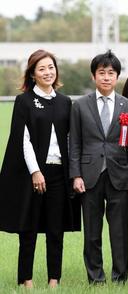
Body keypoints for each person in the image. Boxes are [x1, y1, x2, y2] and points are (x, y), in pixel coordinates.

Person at [0, 49, 81, 289]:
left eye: (51, 67)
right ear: (33, 74)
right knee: (29, 229)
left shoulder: (65, 102)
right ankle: (26, 279)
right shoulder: (24, 101)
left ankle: (54, 279)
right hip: (32, 173)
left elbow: (69, 139)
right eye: (42, 68)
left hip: (59, 173)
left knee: (56, 230)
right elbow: (22, 139)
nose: (48, 72)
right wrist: (35, 171)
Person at [69, 50, 128, 284]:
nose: (106, 77)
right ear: (93, 76)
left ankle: (120, 278)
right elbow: (75, 144)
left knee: (119, 232)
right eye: (101, 73)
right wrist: (76, 174)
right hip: (89, 176)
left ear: (117, 76)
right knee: (92, 232)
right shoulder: (79, 106)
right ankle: (95, 278)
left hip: (120, 175)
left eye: (111, 73)